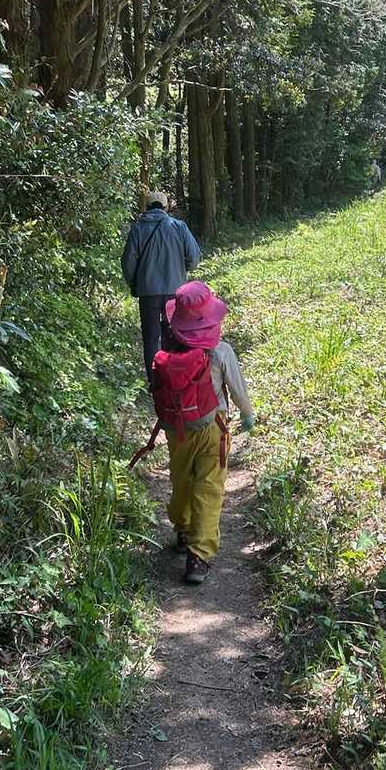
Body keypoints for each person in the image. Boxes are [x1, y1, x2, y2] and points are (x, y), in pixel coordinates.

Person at [155, 281, 254, 586]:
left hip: (178, 430)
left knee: (181, 479)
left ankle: (183, 528)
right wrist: (247, 414)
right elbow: (237, 389)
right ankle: (198, 556)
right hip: (214, 428)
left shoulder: (168, 351)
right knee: (209, 487)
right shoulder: (221, 351)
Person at [121, 190, 201, 382]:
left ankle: (154, 381)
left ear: (147, 207)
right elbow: (194, 257)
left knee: (150, 337)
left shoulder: (137, 229)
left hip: (148, 292)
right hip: (175, 292)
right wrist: (181, 270)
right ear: (166, 207)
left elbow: (128, 262)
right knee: (172, 335)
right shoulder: (179, 227)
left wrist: (135, 284)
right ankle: (172, 379)